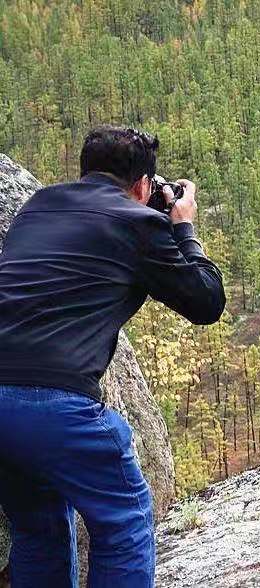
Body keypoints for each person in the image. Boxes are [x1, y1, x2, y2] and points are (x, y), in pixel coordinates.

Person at [0, 126, 226, 586]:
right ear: (144, 185)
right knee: (125, 520)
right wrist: (182, 226)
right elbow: (207, 301)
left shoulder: (37, 206)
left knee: (38, 526)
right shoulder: (140, 223)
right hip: (55, 405)